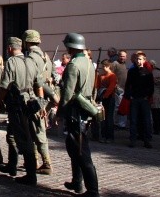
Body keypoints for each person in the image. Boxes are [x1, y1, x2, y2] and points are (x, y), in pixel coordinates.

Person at [0, 37, 38, 186]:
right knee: (12, 135)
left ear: (10, 48)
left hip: (17, 104)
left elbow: (4, 86)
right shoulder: (31, 61)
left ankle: (31, 175)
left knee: (24, 139)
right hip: (29, 102)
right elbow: (38, 82)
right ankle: (12, 165)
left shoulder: (11, 62)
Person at [59, 32, 99, 197]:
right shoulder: (89, 62)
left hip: (76, 112)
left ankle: (92, 190)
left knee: (82, 152)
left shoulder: (74, 65)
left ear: (71, 46)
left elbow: (68, 93)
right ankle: (77, 182)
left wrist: (60, 113)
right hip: (85, 109)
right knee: (74, 149)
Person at [23, 29, 55, 175]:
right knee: (35, 129)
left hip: (36, 98)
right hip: (45, 98)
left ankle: (46, 163)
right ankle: (35, 161)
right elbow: (52, 76)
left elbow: (35, 81)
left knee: (38, 130)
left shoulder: (30, 58)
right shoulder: (45, 57)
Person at [124, 51, 154, 148]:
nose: (138, 61)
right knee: (133, 120)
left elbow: (151, 86)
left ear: (144, 60)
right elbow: (128, 84)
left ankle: (147, 140)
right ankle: (132, 139)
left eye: (140, 59)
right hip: (134, 98)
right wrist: (129, 96)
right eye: (137, 59)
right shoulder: (132, 71)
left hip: (144, 99)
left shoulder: (148, 72)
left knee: (146, 120)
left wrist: (147, 96)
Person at [95, 59, 117, 143]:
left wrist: (105, 96)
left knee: (109, 118)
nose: (102, 68)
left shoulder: (112, 76)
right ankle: (103, 135)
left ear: (108, 66)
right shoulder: (101, 76)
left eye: (104, 66)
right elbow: (97, 86)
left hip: (109, 98)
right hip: (102, 98)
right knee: (102, 118)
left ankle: (110, 137)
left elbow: (111, 87)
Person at [111, 50, 128, 129]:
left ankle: (122, 124)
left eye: (124, 56)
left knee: (123, 107)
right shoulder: (115, 64)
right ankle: (117, 123)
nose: (122, 57)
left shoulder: (125, 65)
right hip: (118, 89)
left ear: (126, 57)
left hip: (125, 89)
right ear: (118, 56)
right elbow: (111, 75)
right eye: (121, 56)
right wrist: (115, 86)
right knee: (118, 107)